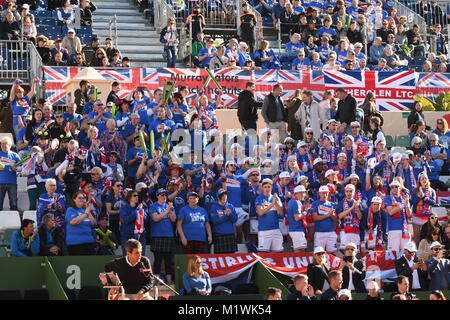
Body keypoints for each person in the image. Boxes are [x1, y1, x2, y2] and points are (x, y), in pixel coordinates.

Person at [149, 188, 176, 284]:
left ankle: (169, 280)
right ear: (157, 196)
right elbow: (155, 218)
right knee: (158, 260)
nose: (164, 197)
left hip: (169, 235)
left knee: (169, 260)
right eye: (161, 195)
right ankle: (156, 280)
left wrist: (170, 210)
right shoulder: (153, 206)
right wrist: (167, 211)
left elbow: (173, 219)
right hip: (157, 235)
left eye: (165, 195)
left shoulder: (170, 206)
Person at [255, 179, 284, 252]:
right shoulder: (259, 198)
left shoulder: (276, 198)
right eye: (265, 187)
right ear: (262, 188)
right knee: (263, 254)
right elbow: (260, 212)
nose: (267, 189)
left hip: (276, 229)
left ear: (272, 187)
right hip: (264, 230)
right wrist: (272, 204)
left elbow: (281, 213)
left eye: (269, 186)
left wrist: (276, 202)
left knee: (278, 253)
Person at [65, 191, 97, 256]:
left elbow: (93, 223)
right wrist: (86, 213)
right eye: (80, 198)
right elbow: (74, 221)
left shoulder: (84, 211)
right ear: (74, 199)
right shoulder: (70, 210)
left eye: (83, 198)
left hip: (89, 242)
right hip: (76, 243)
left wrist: (88, 210)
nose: (82, 199)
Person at [384, 180, 412, 252]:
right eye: (392, 187)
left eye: (396, 187)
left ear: (400, 188)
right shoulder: (388, 198)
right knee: (393, 253)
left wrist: (407, 203)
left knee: (406, 252)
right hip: (393, 229)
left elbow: (409, 214)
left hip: (404, 229)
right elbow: (390, 212)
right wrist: (402, 205)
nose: (394, 188)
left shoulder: (404, 198)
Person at [119, 189, 148, 254]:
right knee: (127, 257)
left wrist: (142, 213)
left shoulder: (141, 207)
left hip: (140, 235)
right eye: (134, 196)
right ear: (129, 197)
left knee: (141, 257)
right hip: (127, 235)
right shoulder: (124, 208)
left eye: (137, 196)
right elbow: (126, 220)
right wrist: (137, 211)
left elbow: (146, 220)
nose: (137, 197)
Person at [311, 186, 338, 253]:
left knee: (333, 253)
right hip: (319, 233)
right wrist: (327, 215)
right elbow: (315, 218)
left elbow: (335, 219)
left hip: (331, 232)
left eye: (326, 193)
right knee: (318, 253)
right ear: (319, 194)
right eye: (322, 193)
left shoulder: (332, 204)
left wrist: (332, 214)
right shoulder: (315, 204)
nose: (324, 195)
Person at [210, 189, 238, 254]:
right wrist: (226, 215)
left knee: (231, 258)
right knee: (220, 257)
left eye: (225, 195)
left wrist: (230, 214)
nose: (224, 197)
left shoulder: (230, 206)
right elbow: (215, 221)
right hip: (219, 235)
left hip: (230, 234)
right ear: (218, 197)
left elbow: (235, 219)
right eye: (222, 195)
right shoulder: (214, 207)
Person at [0, 136, 20, 210]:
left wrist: (17, 168)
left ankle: (14, 220)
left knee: (14, 204)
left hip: (12, 183)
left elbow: (22, 168)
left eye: (6, 144)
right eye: (2, 144)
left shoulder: (15, 155)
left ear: (10, 145)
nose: (4, 146)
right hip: (0, 183)